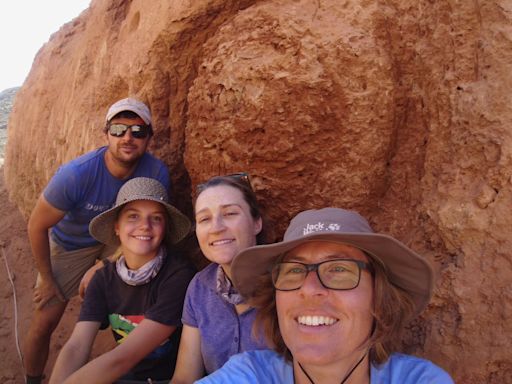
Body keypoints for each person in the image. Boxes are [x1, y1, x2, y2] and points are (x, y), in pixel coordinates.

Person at [197, 207, 455, 384]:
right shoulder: (250, 374)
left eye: (340, 270)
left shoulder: (419, 379)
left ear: (379, 297)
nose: (308, 289)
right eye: (294, 270)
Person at [23, 97, 171, 384]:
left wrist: (103, 265)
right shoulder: (76, 175)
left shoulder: (156, 173)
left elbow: (154, 227)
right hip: (71, 244)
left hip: (118, 240)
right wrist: (47, 277)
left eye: (138, 131)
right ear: (106, 134)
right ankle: (31, 379)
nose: (128, 137)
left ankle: (134, 360)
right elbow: (36, 226)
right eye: (119, 129)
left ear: (149, 138)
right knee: (44, 321)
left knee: (141, 275)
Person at [49, 177, 195, 383]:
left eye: (156, 218)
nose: (144, 226)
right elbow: (77, 345)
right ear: (117, 227)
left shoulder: (178, 276)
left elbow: (123, 358)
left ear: (165, 228)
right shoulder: (102, 279)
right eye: (133, 216)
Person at [170, 174, 268, 383]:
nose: (216, 227)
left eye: (230, 213)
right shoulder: (199, 287)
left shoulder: (287, 287)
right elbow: (185, 377)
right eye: (204, 219)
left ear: (256, 223)